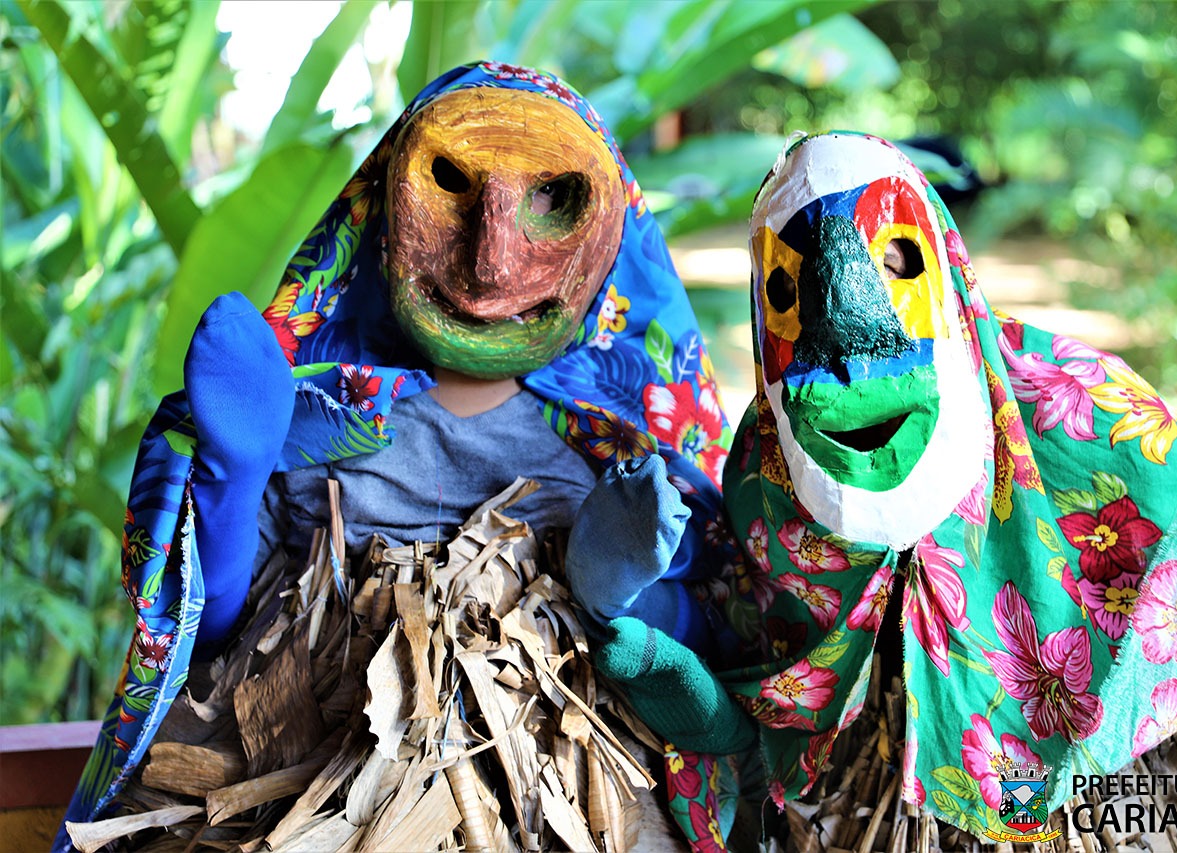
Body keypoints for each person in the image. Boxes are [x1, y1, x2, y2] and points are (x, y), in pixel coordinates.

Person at [56, 62, 735, 851]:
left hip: (558, 805)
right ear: (383, 203)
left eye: (553, 197)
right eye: (449, 180)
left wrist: (615, 593)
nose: (491, 259)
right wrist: (234, 479)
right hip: (299, 783)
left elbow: (710, 641)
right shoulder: (323, 419)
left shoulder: (613, 448)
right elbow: (212, 630)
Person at [592, 131, 1177, 849]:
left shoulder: (1074, 408)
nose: (851, 353)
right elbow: (752, 654)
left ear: (947, 274)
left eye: (896, 262)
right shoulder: (763, 482)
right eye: (788, 292)